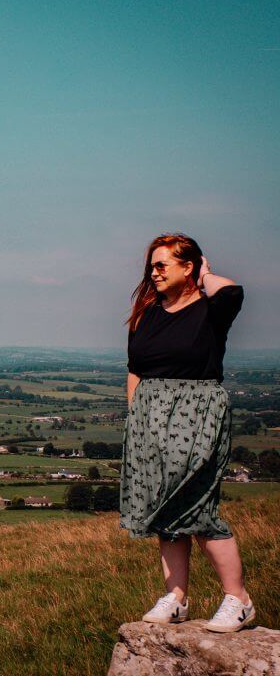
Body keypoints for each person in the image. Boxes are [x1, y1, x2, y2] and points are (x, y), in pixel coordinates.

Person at [121, 232, 254, 633]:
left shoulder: (212, 310)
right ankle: (176, 597)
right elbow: (135, 369)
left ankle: (239, 599)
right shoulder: (146, 313)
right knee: (166, 506)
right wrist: (137, 420)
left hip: (197, 414)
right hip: (149, 419)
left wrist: (208, 275)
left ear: (189, 266)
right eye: (151, 265)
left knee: (195, 505)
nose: (154, 272)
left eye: (163, 264)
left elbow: (233, 292)